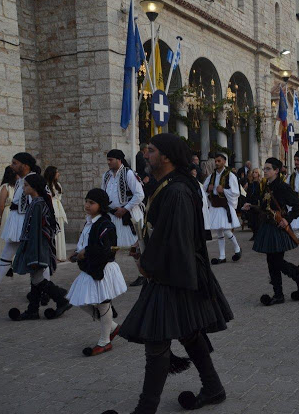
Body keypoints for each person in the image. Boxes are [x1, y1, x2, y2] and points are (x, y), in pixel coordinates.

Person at [107, 133, 233, 413]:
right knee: (189, 332)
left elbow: (174, 239)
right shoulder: (168, 185)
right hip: (175, 271)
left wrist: (147, 265)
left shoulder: (176, 190)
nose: (145, 155)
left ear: (165, 157)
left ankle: (145, 409)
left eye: (150, 151)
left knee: (157, 340)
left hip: (172, 273)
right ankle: (213, 388)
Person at [65, 188, 126, 356]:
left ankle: (105, 341)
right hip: (89, 267)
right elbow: (85, 242)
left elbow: (108, 250)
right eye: (86, 201)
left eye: (92, 203)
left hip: (103, 268)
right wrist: (78, 254)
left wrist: (87, 252)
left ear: (101, 205)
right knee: (79, 300)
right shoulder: (89, 222)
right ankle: (112, 327)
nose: (87, 205)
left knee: (103, 303)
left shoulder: (106, 225)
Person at [243, 157, 299, 306]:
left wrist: (288, 219)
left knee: (276, 261)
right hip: (267, 226)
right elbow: (264, 206)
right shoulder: (267, 185)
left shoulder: (282, 187)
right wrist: (251, 206)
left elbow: (297, 205)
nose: (264, 171)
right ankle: (279, 293)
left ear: (276, 170)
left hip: (278, 227)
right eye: (264, 168)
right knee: (271, 261)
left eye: (268, 169)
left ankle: (298, 279)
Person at [0, 153, 45, 298]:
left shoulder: (33, 179)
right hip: (17, 220)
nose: (11, 166)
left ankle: (45, 291)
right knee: (7, 253)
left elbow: (38, 202)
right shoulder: (21, 180)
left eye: (15, 163)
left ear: (25, 166)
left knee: (37, 257)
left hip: (26, 222)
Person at [8, 174, 72, 321]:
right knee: (34, 278)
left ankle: (61, 299)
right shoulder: (37, 202)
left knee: (38, 279)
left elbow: (37, 231)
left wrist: (33, 253)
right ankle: (33, 310)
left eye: (26, 186)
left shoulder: (38, 204)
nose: (23, 188)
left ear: (34, 187)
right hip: (34, 246)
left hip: (36, 247)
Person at [102, 149, 145, 287]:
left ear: (119, 160)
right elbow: (103, 195)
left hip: (129, 215)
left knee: (136, 246)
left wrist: (125, 208)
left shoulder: (129, 174)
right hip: (113, 215)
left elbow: (139, 195)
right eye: (108, 160)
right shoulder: (106, 176)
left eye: (111, 160)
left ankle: (142, 274)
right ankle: (110, 276)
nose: (108, 162)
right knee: (111, 245)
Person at [203, 154, 242, 265]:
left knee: (225, 229)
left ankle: (237, 248)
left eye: (219, 161)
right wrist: (208, 188)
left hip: (224, 206)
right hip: (215, 206)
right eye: (216, 161)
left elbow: (235, 192)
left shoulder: (230, 175)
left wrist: (224, 190)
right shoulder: (212, 176)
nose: (216, 163)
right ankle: (222, 256)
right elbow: (204, 189)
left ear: (224, 161)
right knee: (219, 231)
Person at [44, 166, 69, 262]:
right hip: (51, 208)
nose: (58, 174)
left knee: (60, 231)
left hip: (59, 208)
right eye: (57, 172)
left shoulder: (58, 184)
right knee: (53, 232)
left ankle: (60, 254)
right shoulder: (46, 185)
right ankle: (52, 254)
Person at [245, 168, 263, 241]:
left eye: (256, 172)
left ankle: (258, 234)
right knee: (251, 219)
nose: (254, 174)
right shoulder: (250, 183)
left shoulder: (260, 183)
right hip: (250, 202)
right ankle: (254, 234)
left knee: (257, 219)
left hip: (257, 202)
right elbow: (248, 193)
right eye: (253, 172)